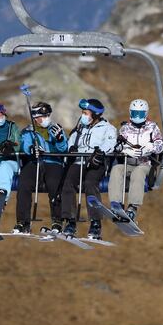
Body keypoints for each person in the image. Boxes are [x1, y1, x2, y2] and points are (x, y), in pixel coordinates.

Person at [60, 98, 117, 239]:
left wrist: (100, 153)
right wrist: (71, 148)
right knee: (67, 183)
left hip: (96, 163)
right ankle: (70, 221)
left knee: (90, 184)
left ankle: (95, 223)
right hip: (79, 162)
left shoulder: (108, 128)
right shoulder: (80, 127)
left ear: (95, 115)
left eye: (86, 113)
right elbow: (71, 141)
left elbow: (111, 143)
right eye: (82, 113)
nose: (83, 116)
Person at [13, 101, 68, 235]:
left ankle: (57, 220)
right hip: (35, 162)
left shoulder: (56, 129)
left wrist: (60, 139)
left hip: (53, 162)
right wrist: (31, 148)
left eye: (44, 116)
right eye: (38, 117)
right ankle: (23, 221)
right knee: (24, 184)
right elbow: (25, 144)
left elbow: (63, 149)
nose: (41, 120)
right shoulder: (28, 131)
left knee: (54, 185)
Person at [108, 99, 163, 221]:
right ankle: (116, 204)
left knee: (138, 173)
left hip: (144, 164)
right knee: (117, 169)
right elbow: (117, 146)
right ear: (130, 113)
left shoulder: (152, 127)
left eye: (140, 114)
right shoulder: (125, 128)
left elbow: (160, 145)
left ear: (146, 113)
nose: (137, 117)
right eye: (135, 113)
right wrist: (126, 150)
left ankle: (133, 207)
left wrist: (148, 148)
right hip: (127, 162)